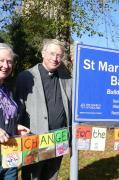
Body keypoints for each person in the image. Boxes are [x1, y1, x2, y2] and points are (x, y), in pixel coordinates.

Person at [15, 39, 72, 180]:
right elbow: (18, 109)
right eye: (52, 53)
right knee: (32, 177)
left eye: (59, 55)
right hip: (34, 139)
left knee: (52, 176)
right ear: (43, 53)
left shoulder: (66, 78)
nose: (55, 58)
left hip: (59, 139)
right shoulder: (26, 77)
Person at [0, 43, 30, 179]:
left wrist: (15, 126)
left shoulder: (7, 89)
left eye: (9, 62)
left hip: (10, 153)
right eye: (1, 61)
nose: (6, 66)